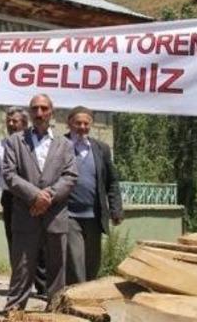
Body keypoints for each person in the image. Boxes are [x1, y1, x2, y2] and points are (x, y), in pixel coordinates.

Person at [1, 94, 77, 313]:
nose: (39, 113)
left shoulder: (65, 144)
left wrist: (48, 197)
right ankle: (14, 309)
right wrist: (35, 196)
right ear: (30, 112)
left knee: (57, 267)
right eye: (35, 109)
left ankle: (55, 311)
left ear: (51, 111)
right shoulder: (16, 141)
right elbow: (9, 174)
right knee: (22, 266)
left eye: (44, 108)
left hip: (55, 215)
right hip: (26, 213)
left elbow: (70, 176)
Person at [0, 108, 45, 295]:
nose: (11, 124)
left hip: (36, 197)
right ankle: (19, 286)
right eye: (9, 121)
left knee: (41, 242)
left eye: (15, 121)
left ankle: (43, 287)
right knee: (15, 242)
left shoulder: (35, 143)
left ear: (25, 124)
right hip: (11, 199)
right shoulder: (0, 147)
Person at [64, 106, 124, 284]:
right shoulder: (59, 145)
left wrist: (116, 209)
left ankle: (88, 298)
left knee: (92, 262)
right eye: (78, 123)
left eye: (86, 123)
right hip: (68, 214)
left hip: (94, 216)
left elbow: (112, 181)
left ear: (91, 124)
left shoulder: (101, 149)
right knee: (75, 260)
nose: (82, 127)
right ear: (69, 124)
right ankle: (75, 299)